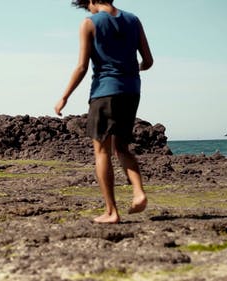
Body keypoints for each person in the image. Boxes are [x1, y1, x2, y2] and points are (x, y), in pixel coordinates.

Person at [54, 0, 153, 224]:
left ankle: (111, 212)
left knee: (102, 151)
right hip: (131, 90)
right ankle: (138, 192)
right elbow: (148, 61)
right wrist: (129, 69)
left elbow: (82, 66)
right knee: (122, 147)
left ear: (91, 1)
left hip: (104, 92)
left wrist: (64, 97)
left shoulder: (90, 23)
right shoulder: (133, 20)